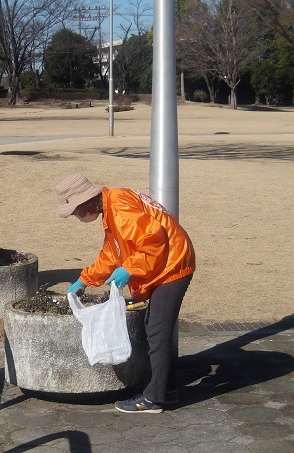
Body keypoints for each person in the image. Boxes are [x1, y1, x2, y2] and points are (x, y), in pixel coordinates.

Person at [55, 173, 195, 413]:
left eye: (76, 211)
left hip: (172, 265)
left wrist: (129, 269)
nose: (77, 217)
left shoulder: (119, 207)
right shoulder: (112, 208)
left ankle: (153, 399)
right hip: (167, 263)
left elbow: (153, 241)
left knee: (157, 330)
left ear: (86, 202)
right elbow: (112, 252)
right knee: (156, 327)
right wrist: (85, 279)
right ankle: (167, 390)